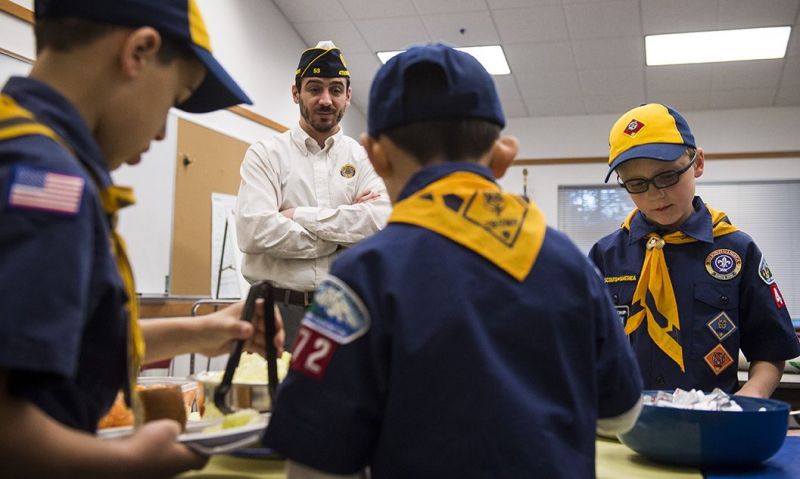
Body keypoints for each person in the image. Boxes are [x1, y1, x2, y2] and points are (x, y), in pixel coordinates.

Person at [263, 43, 643, 479]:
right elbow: (621, 416)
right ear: (503, 156)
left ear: (376, 156)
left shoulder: (363, 275)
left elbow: (314, 463)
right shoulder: (570, 265)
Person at [0, 1, 283, 478]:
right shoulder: (46, 185)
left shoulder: (21, 148)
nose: (160, 132)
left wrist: (203, 330)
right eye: (174, 100)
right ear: (139, 51)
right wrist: (126, 463)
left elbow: (54, 343)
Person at [589, 103, 800, 398]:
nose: (655, 194)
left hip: (712, 427)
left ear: (697, 162)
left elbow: (771, 350)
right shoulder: (605, 256)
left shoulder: (737, 250)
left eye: (667, 176)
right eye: (637, 183)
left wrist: (743, 404)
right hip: (624, 423)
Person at [235, 40, 390, 347]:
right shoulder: (265, 155)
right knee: (272, 395)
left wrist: (296, 216)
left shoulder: (366, 158)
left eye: (335, 89)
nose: (325, 100)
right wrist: (340, 238)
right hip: (275, 310)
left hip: (346, 311)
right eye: (314, 88)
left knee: (347, 396)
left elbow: (380, 222)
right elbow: (254, 232)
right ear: (296, 93)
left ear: (348, 96)